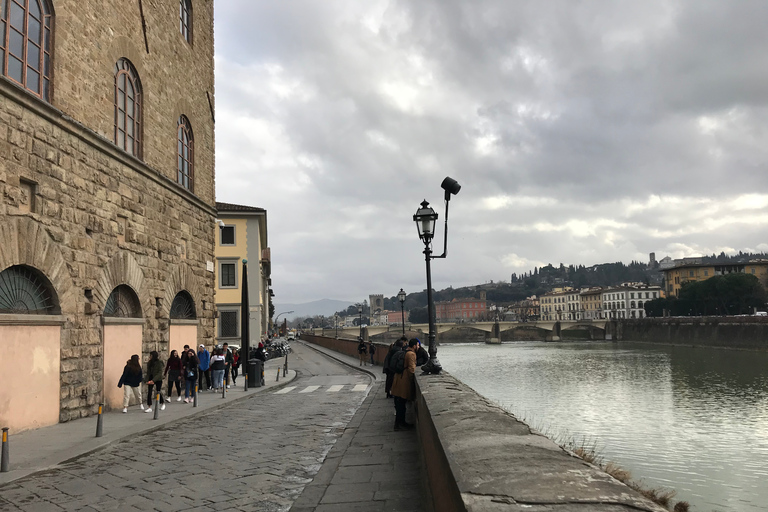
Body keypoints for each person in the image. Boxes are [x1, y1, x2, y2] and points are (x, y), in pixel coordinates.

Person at [390, 339, 418, 431]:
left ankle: (399, 423)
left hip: (398, 379)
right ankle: (399, 424)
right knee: (401, 404)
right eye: (417, 345)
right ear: (414, 346)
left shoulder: (403, 351)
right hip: (404, 381)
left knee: (399, 404)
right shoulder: (411, 354)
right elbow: (411, 369)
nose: (418, 347)